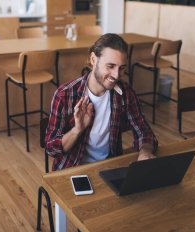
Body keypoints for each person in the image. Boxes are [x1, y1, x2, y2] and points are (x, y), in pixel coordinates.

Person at [45, 33, 158, 171]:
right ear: (93, 59)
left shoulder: (125, 93)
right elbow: (51, 149)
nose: (116, 75)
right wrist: (77, 129)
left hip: (110, 167)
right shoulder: (65, 95)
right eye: (110, 66)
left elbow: (144, 131)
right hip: (72, 169)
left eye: (121, 68)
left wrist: (145, 152)